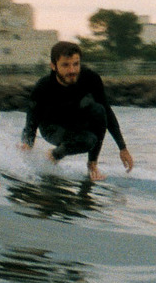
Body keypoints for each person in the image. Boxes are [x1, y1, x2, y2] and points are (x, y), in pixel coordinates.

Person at [19, 41, 134, 181]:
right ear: (53, 66)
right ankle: (53, 156)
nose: (72, 70)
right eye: (65, 65)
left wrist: (122, 148)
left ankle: (92, 165)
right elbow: (32, 119)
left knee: (98, 111)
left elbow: (107, 113)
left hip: (75, 120)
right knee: (87, 140)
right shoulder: (43, 86)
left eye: (76, 64)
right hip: (51, 127)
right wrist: (27, 145)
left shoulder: (91, 78)